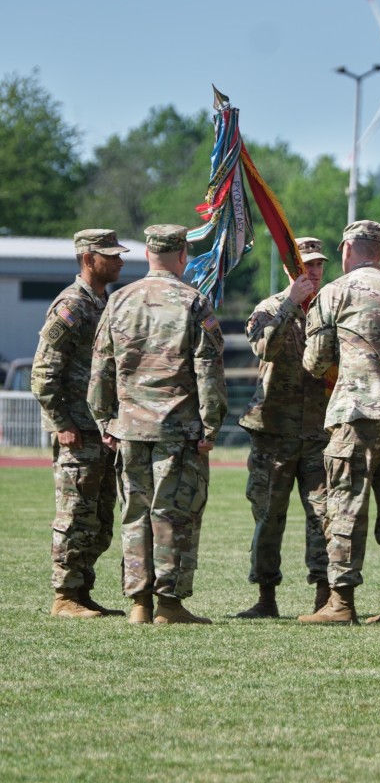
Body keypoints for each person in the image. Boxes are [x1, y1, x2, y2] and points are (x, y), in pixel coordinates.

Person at [87, 224, 227, 625]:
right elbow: (208, 371)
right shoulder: (193, 301)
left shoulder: (119, 301)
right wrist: (210, 425)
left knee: (135, 513)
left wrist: (104, 420)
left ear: (148, 254)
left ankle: (139, 604)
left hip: (130, 428)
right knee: (172, 513)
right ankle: (168, 603)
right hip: (177, 430)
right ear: (183, 254)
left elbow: (101, 369)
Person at [298, 220, 380, 625]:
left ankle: (341, 603)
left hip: (358, 413)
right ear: (378, 251)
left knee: (345, 505)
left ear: (345, 250)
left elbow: (316, 360)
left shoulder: (335, 292)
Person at [31, 228, 129, 619]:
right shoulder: (71, 306)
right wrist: (61, 423)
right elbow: (42, 373)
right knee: (74, 515)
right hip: (77, 431)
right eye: (111, 255)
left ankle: (82, 593)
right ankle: (64, 596)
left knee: (99, 520)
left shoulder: (104, 304)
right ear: (89, 259)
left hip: (101, 430)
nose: (120, 261)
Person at [236, 237, 332, 618]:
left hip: (319, 432)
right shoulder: (268, 308)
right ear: (292, 268)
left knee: (324, 516)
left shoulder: (332, 309)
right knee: (268, 516)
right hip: (274, 429)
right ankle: (266, 598)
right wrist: (292, 304)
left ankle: (326, 598)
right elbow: (265, 349)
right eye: (306, 264)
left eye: (318, 265)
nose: (313, 271)